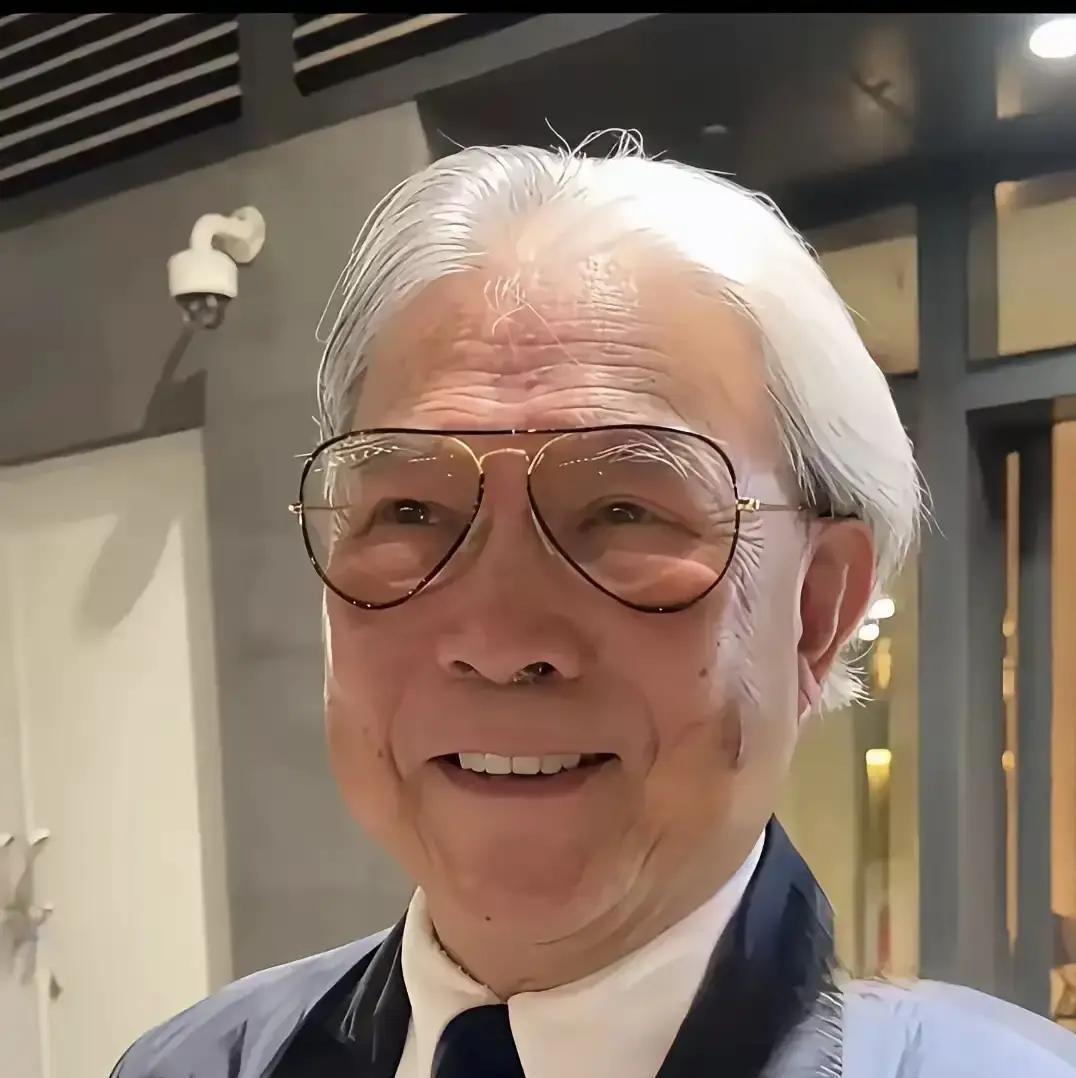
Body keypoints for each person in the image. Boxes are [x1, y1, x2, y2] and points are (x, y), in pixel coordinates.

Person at [113, 138, 1076, 1077]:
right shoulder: (194, 1062)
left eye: (623, 512)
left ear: (816, 610)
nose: (497, 641)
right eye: (410, 510)